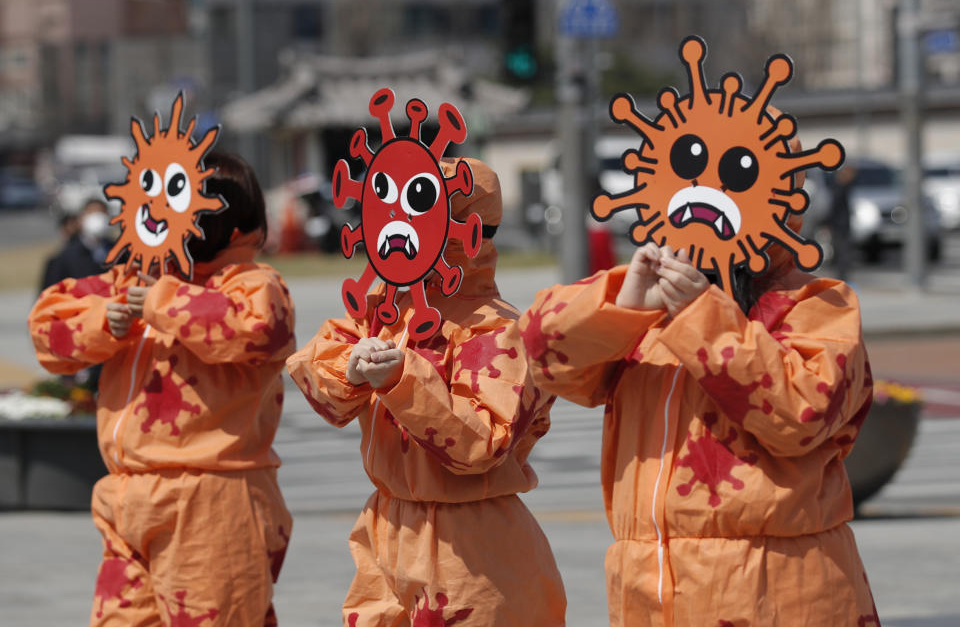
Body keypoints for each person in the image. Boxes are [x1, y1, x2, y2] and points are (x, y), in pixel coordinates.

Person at [519, 196, 879, 622]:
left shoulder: (815, 305)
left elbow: (802, 411)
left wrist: (702, 314)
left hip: (775, 594)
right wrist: (624, 302)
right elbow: (545, 354)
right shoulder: (649, 315)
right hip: (649, 592)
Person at [287, 157, 567, 626]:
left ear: (466, 228)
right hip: (387, 528)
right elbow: (314, 371)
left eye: (418, 207)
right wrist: (350, 371)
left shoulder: (496, 328)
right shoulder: (382, 309)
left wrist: (402, 380)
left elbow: (482, 442)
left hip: (473, 550)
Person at [29, 152, 295, 626]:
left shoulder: (254, 283)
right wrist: (103, 321)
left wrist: (161, 301)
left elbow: (254, 329)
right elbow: (47, 326)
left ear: (227, 225)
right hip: (127, 495)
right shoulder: (134, 278)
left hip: (212, 499)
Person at [40, 198, 112, 292]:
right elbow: (49, 294)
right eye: (92, 213)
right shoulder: (64, 257)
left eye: (101, 214)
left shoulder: (120, 253)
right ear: (81, 218)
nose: (97, 219)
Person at [829, 163, 858, 281]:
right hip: (840, 223)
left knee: (843, 250)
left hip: (842, 223)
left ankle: (843, 274)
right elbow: (835, 207)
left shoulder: (844, 186)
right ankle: (841, 275)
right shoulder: (840, 188)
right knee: (842, 250)